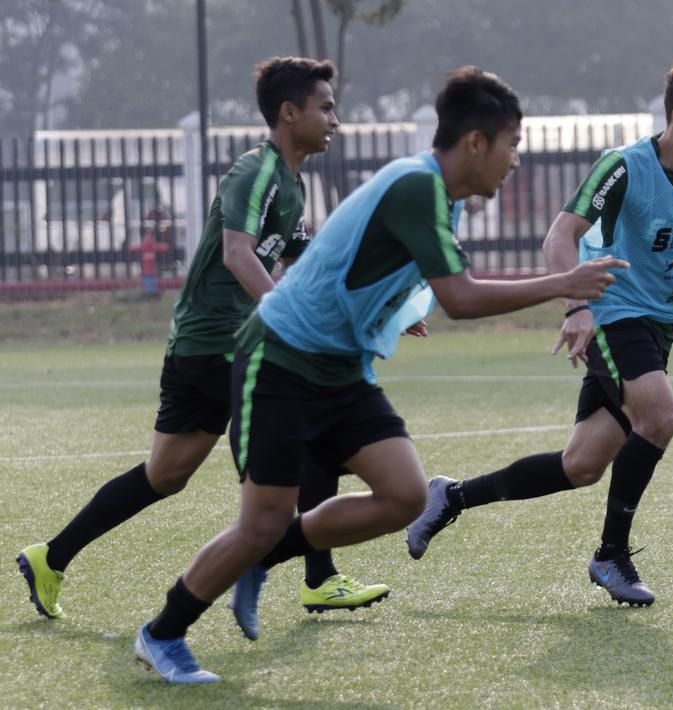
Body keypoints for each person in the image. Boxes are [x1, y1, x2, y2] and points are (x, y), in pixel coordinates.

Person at [132, 66, 626, 684]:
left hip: (340, 370)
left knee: (405, 496)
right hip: (280, 359)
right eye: (513, 146)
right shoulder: (418, 186)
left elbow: (382, 272)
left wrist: (396, 310)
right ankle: (164, 632)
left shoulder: (436, 196)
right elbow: (462, 299)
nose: (516, 162)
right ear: (476, 142)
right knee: (258, 522)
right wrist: (564, 283)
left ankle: (267, 559)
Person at [405, 58, 673, 608]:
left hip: (661, 325)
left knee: (580, 466)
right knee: (661, 417)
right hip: (613, 309)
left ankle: (452, 496)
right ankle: (611, 554)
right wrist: (575, 307)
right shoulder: (623, 167)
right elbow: (561, 237)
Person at [17, 57, 390, 630]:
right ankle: (319, 581)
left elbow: (310, 268)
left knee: (165, 474)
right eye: (326, 107)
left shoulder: (290, 183)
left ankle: (51, 557)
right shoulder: (256, 171)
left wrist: (375, 305)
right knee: (308, 447)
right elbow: (237, 253)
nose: (335, 120)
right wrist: (287, 323)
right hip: (221, 344)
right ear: (289, 113)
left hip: (201, 346)